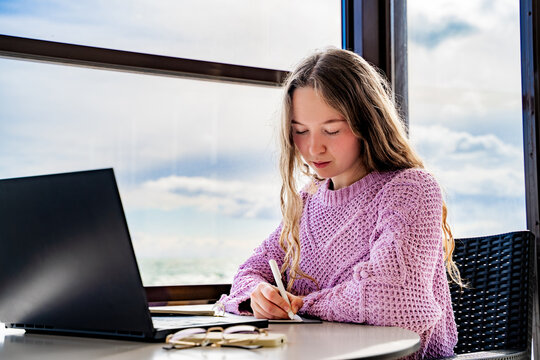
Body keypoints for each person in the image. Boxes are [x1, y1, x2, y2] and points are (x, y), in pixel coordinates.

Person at [218, 48, 460, 359]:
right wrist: (256, 295)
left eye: (331, 130)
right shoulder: (308, 200)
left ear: (367, 123)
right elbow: (250, 271)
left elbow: (395, 302)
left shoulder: (410, 190)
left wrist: (302, 304)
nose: (313, 148)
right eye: (300, 131)